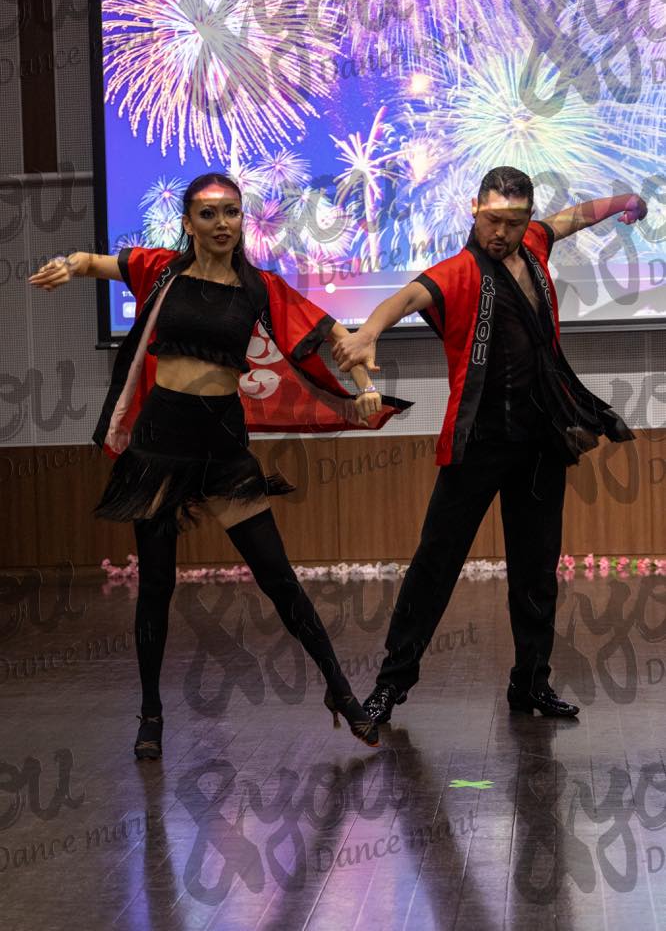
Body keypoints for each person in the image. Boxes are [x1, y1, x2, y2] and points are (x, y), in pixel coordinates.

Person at [29, 172, 411, 757]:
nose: (222, 223)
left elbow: (336, 336)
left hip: (223, 447)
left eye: (231, 212)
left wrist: (364, 386)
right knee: (156, 584)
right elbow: (93, 263)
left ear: (241, 220)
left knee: (278, 578)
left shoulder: (260, 287)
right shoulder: (161, 270)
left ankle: (340, 691)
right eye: (208, 214)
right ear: (188, 223)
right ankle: (151, 714)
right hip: (160, 443)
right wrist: (68, 263)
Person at [332, 165, 645, 723]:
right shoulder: (457, 271)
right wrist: (368, 333)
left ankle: (531, 684)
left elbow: (572, 218)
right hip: (479, 440)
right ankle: (390, 685)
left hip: (541, 439)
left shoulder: (536, 245)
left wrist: (626, 200)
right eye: (493, 219)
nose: (502, 232)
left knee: (536, 569)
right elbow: (405, 298)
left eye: (514, 222)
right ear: (475, 210)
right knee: (435, 564)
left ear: (527, 219)